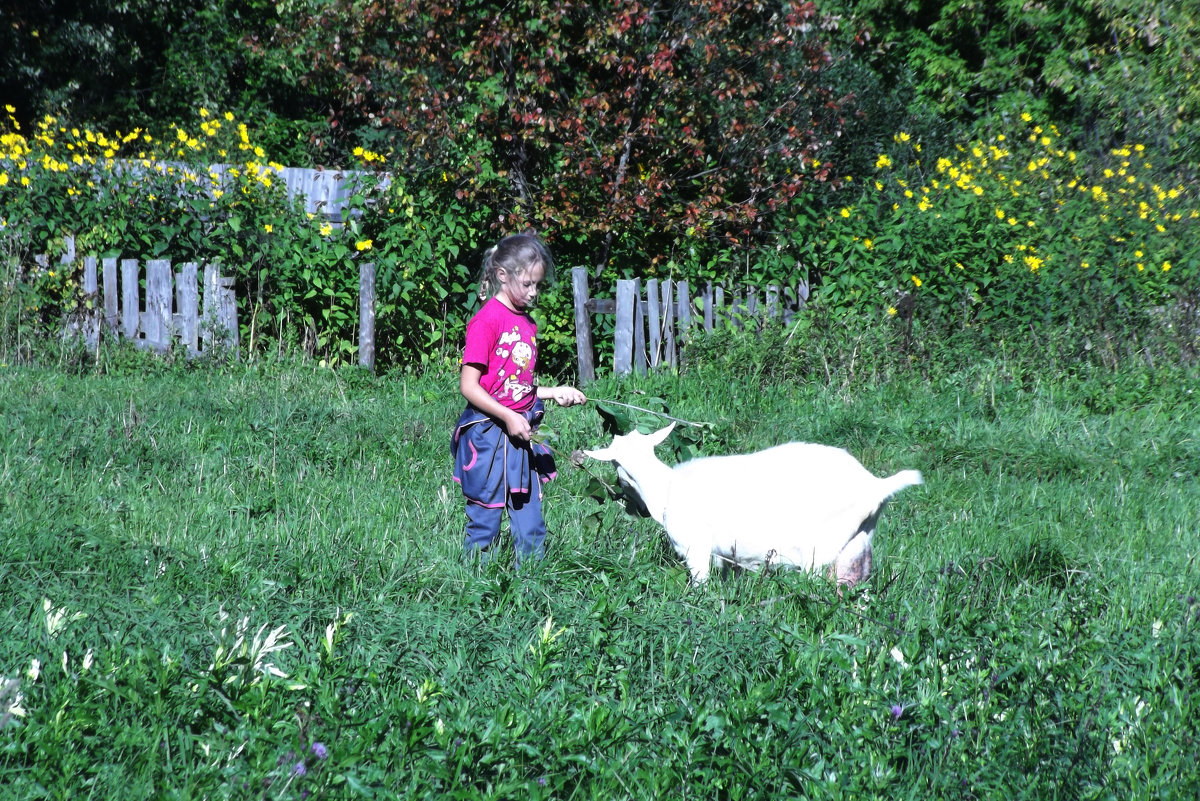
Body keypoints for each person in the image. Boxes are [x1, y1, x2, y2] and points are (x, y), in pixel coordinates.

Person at [451, 233, 586, 566]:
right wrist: (509, 417)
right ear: (502, 276)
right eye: (527, 284)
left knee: (530, 520)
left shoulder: (527, 323)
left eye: (537, 285)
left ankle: (532, 588)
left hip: (521, 433)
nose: (533, 292)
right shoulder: (486, 321)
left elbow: (516, 386)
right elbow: (469, 386)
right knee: (485, 519)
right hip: (487, 436)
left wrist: (552, 392)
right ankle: (475, 592)